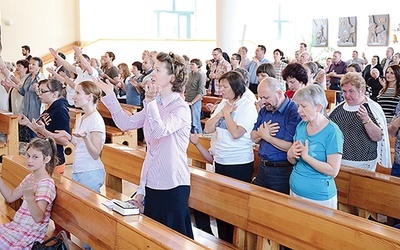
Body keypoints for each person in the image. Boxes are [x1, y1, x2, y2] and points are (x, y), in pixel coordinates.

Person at [96, 52, 194, 239]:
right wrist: (110, 96)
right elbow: (125, 124)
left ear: (172, 77)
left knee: (173, 240)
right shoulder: (155, 104)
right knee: (153, 239)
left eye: (157, 70)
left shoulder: (181, 108)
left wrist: (149, 102)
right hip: (153, 182)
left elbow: (159, 131)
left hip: (173, 185)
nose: (152, 74)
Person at [204, 70, 257, 243]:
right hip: (221, 160)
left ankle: (236, 244)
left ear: (235, 87)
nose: (221, 90)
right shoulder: (223, 104)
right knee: (221, 208)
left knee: (235, 210)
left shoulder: (247, 106)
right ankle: (223, 242)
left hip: (239, 163)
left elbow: (236, 133)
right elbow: (208, 128)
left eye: (224, 86)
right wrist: (221, 112)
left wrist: (226, 114)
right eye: (220, 86)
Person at [288, 84, 343, 209]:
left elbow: (333, 170)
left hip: (319, 197)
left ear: (318, 107)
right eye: (298, 106)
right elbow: (293, 161)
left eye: (303, 106)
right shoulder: (301, 126)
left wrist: (307, 158)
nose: (299, 111)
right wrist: (290, 154)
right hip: (295, 190)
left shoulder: (332, 132)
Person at [0, 137, 57, 249]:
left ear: (46, 159)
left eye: (35, 157)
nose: (30, 160)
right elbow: (11, 197)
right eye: (28, 156)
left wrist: (30, 197)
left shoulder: (46, 184)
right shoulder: (31, 177)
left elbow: (38, 218)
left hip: (29, 235)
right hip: (16, 228)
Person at [329, 72, 391, 171]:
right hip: (338, 161)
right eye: (344, 91)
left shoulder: (371, 108)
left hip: (363, 164)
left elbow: (378, 136)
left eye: (351, 91)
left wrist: (366, 120)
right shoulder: (338, 109)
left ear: (361, 90)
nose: (347, 95)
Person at [251, 77, 301, 195]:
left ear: (279, 93)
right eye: (260, 97)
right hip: (263, 167)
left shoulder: (293, 111)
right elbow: (253, 137)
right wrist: (260, 134)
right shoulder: (265, 110)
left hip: (282, 170)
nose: (262, 102)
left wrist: (267, 137)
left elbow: (290, 146)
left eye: (266, 97)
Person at [18, 79, 70, 174]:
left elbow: (64, 140)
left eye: (43, 91)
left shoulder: (60, 110)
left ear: (54, 94)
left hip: (54, 160)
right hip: (45, 158)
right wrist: (28, 123)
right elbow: (41, 130)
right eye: (39, 90)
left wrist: (44, 132)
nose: (39, 94)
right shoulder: (49, 107)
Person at [185, 58, 206, 134]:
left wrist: (193, 102)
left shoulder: (200, 75)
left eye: (193, 64)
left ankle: (199, 137)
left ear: (198, 65)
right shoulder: (190, 74)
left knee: (195, 122)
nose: (191, 66)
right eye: (190, 64)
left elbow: (201, 91)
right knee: (189, 121)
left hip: (195, 101)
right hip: (188, 99)